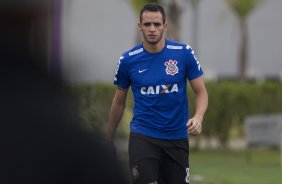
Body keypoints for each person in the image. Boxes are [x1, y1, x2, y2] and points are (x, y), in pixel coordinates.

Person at [106, 3, 208, 184]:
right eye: (147, 24)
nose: (152, 29)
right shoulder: (128, 60)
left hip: (176, 137)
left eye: (156, 24)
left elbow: (201, 92)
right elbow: (119, 102)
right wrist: (108, 138)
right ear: (140, 27)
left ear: (165, 26)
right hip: (143, 135)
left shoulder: (183, 54)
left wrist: (198, 117)